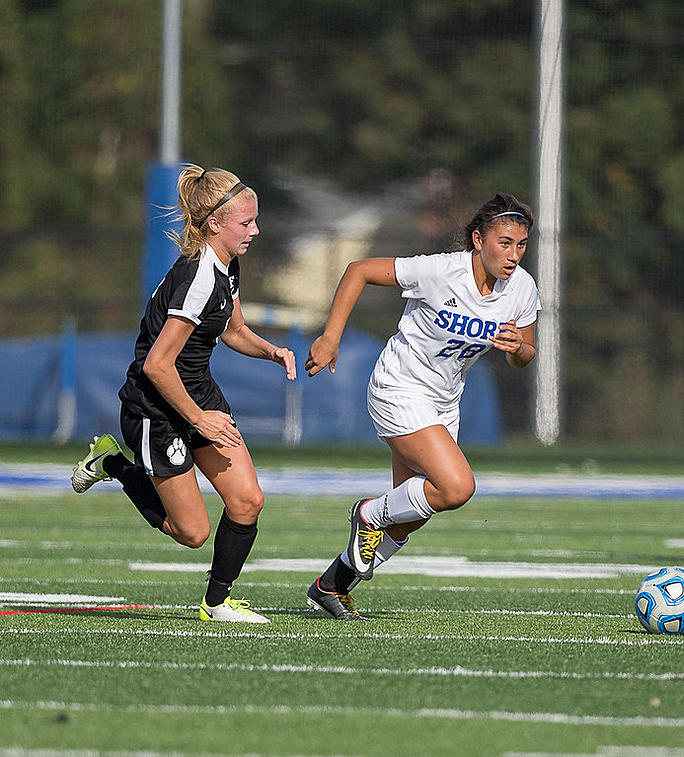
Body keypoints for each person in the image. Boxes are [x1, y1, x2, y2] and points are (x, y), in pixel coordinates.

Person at [70, 164, 296, 622]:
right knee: (191, 532)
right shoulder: (197, 280)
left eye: (254, 220)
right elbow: (157, 365)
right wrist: (198, 418)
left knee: (248, 500)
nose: (255, 230)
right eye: (245, 223)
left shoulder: (227, 266)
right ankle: (112, 462)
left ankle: (216, 603)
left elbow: (233, 331)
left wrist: (272, 351)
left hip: (197, 398)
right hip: (155, 408)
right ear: (214, 224)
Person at [304, 193, 540, 620]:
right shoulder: (440, 271)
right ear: (477, 239)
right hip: (399, 387)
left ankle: (330, 585)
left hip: (444, 403)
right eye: (504, 243)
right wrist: (331, 337)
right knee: (456, 487)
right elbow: (358, 271)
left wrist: (517, 347)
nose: (513, 255)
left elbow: (526, 355)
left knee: (412, 514)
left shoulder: (521, 288)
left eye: (521, 245)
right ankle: (366, 512)